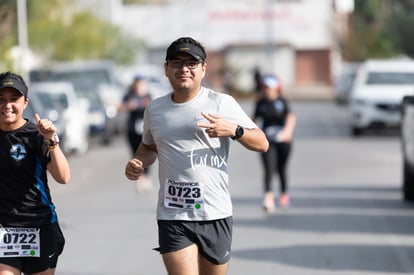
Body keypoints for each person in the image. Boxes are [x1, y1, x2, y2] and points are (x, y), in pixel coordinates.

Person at [124, 37, 269, 275]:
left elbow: (262, 143)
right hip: (173, 213)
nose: (184, 69)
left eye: (192, 63)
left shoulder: (221, 103)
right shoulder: (155, 109)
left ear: (203, 69)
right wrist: (137, 162)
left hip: (215, 212)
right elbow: (149, 148)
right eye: (177, 63)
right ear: (166, 69)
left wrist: (234, 130)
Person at [0, 71, 71, 275]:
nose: (7, 105)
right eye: (1, 99)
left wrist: (50, 140)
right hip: (4, 227)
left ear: (25, 103)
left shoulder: (36, 135)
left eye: (14, 99)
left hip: (39, 224)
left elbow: (63, 177)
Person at [253, 74, 296, 213]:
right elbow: (253, 120)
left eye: (270, 88)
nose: (267, 91)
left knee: (281, 168)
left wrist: (287, 132)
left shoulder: (282, 101)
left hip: (283, 140)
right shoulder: (261, 103)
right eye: (265, 88)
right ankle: (268, 198)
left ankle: (283, 192)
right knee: (268, 168)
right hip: (267, 141)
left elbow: (290, 117)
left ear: (276, 89)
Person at [119, 75, 152, 192]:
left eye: (142, 84)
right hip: (132, 129)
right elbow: (120, 108)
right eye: (138, 84)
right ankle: (139, 178)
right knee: (135, 154)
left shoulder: (148, 96)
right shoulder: (129, 95)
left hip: (145, 129)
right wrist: (128, 105)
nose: (140, 86)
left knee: (147, 151)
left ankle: (147, 177)